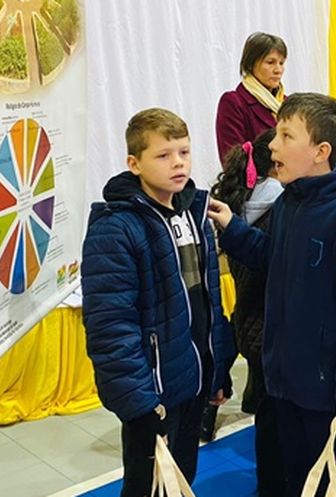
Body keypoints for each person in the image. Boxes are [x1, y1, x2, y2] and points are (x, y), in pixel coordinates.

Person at [207, 93, 336, 497]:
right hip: (286, 387)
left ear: (320, 152)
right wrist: (234, 229)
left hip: (332, 399)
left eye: (286, 135)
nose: (273, 146)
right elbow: (274, 257)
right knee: (295, 483)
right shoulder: (290, 203)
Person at [81, 108, 235, 497]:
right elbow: (111, 328)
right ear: (134, 164)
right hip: (153, 393)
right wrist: (139, 405)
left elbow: (208, 303)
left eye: (184, 152)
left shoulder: (194, 214)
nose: (178, 163)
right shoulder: (116, 228)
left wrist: (217, 368)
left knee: (182, 479)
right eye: (163, 155)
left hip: (192, 381)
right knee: (146, 487)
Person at [210, 129, 285, 496]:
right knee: (276, 422)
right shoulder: (279, 209)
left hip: (248, 321)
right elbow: (273, 264)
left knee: (266, 415)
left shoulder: (241, 206)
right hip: (269, 325)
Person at [215, 32, 288, 166]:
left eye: (281, 63)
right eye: (270, 62)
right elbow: (233, 161)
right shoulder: (234, 102)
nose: (278, 70)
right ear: (250, 64)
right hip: (257, 179)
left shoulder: (289, 103)